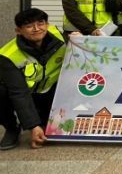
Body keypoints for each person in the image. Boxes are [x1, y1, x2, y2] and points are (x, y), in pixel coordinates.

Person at [0, 9, 70, 150]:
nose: (36, 28)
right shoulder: (8, 55)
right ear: (18, 31)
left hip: (51, 93)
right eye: (29, 26)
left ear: (47, 24)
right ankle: (12, 128)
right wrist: (33, 126)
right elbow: (19, 92)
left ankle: (44, 121)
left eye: (41, 23)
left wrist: (79, 39)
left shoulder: (61, 38)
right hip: (28, 94)